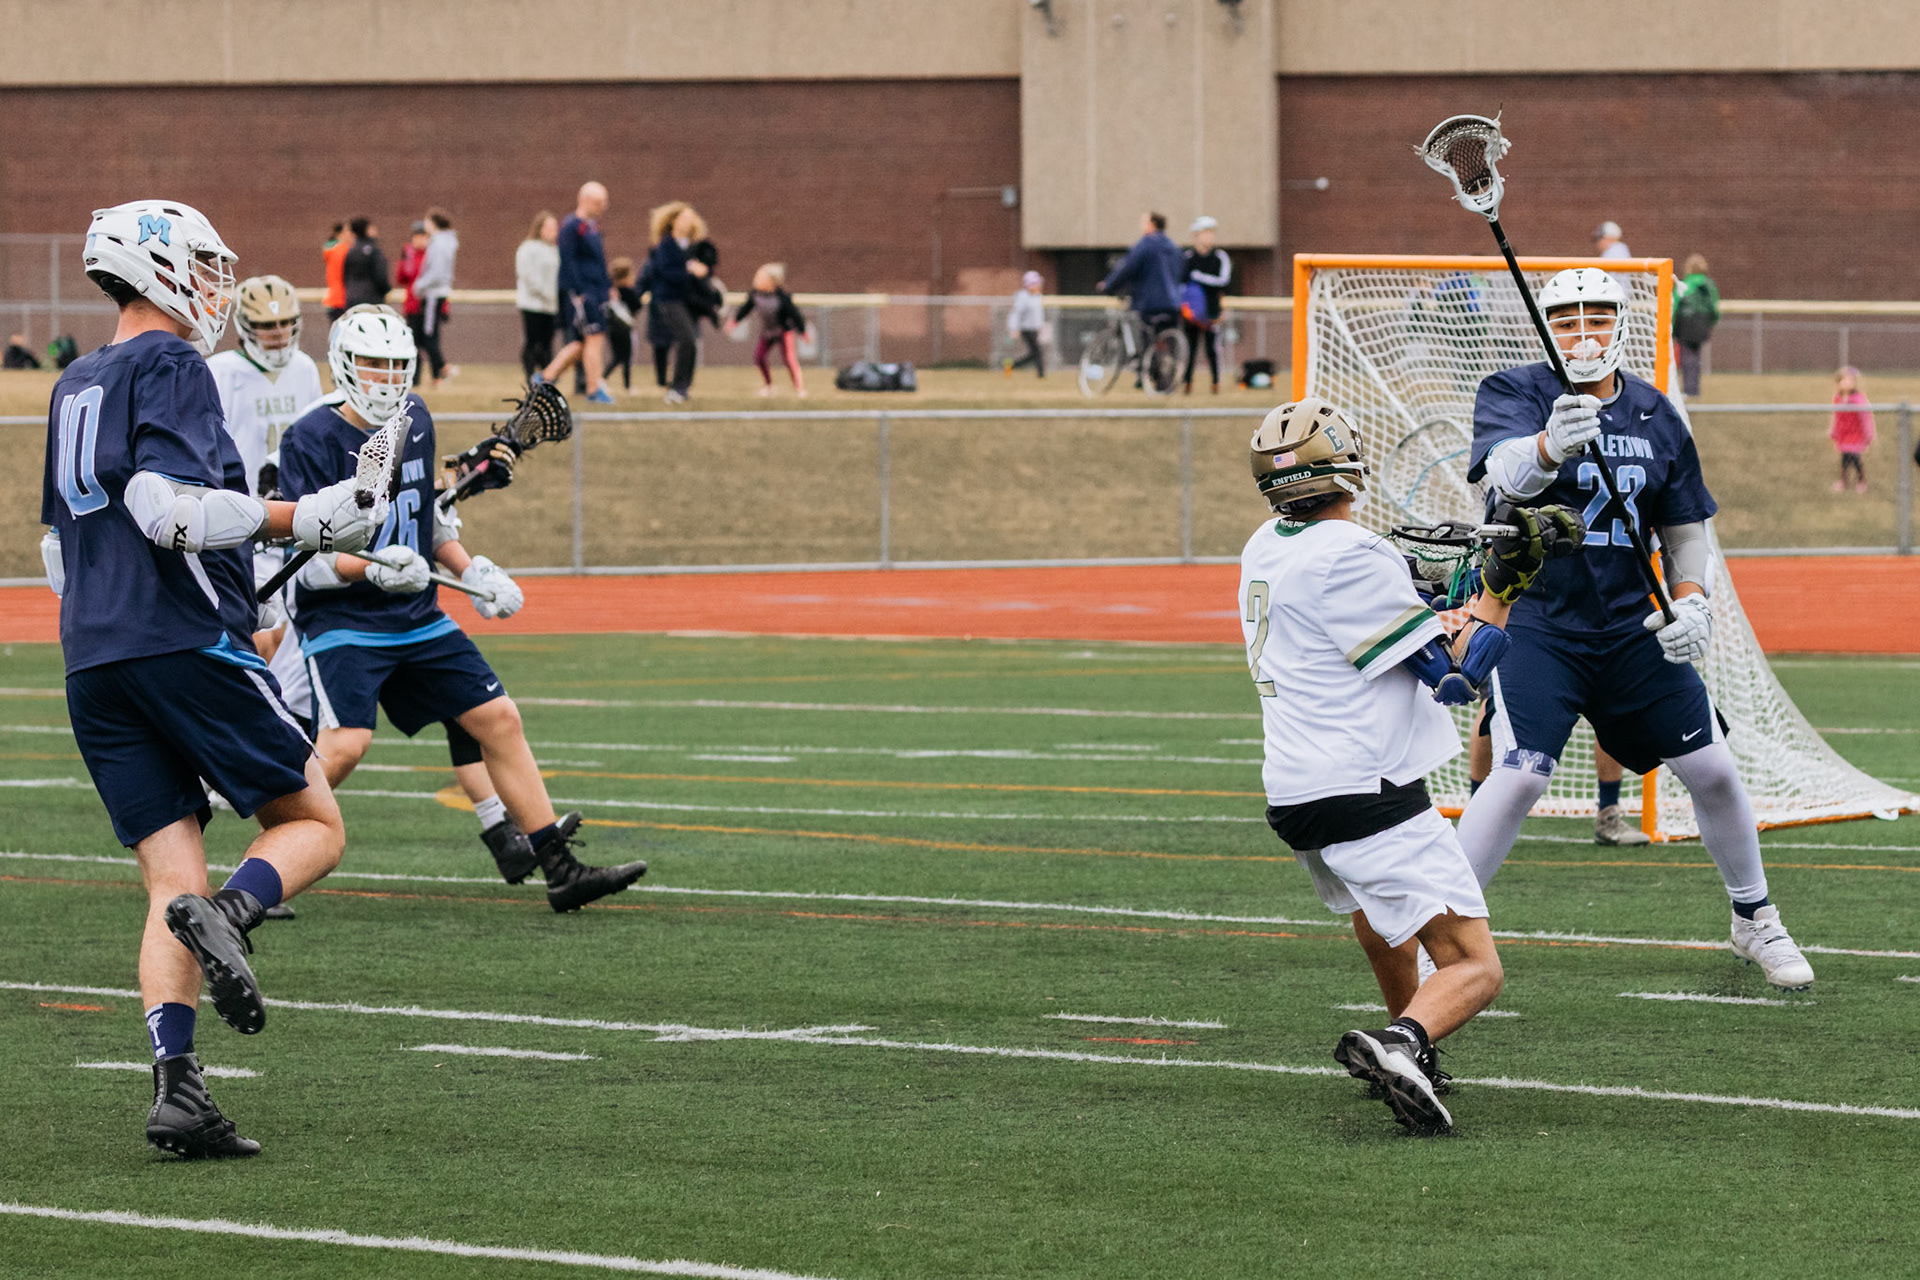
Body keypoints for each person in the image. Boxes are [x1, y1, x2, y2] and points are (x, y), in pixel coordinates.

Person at [42, 199, 387, 1157]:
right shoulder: (171, 362)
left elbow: (57, 552)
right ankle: (233, 913)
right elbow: (168, 510)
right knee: (313, 823)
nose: (212, 284)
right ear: (151, 265)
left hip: (91, 657)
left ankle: (177, 1089)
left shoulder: (74, 380)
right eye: (198, 264)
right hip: (179, 640)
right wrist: (301, 519)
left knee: (170, 878)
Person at [1456, 266, 1815, 990]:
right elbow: (1503, 477)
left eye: (1595, 317)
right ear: (1545, 328)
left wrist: (1693, 603)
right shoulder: (1515, 391)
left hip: (1631, 624)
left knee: (1712, 768)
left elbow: (1683, 530)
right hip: (1539, 619)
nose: (1581, 333)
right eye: (1565, 320)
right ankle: (1443, 928)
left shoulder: (1656, 414)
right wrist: (1549, 446)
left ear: (1621, 324)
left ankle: (1754, 918)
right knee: (1520, 776)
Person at [1241, 396, 1572, 1134]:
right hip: (1369, 786)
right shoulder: (1354, 556)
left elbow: (1370, 599)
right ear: (1347, 468)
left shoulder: (1264, 544)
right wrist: (1502, 588)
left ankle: (1410, 1051)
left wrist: (1441, 581)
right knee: (1475, 966)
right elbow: (1456, 677)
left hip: (1296, 790)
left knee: (1380, 918)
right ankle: (1403, 1041)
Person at [277, 304, 647, 911]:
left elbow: (427, 516)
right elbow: (306, 557)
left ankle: (559, 868)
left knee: (499, 718)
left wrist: (470, 569)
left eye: (395, 365)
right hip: (345, 620)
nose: (384, 378)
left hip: (417, 615)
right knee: (346, 744)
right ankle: (269, 861)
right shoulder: (309, 437)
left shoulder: (415, 417)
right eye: (371, 364)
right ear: (342, 365)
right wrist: (371, 565)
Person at [205, 275, 326, 768]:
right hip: (243, 524)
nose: (277, 334)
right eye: (266, 325)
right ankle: (233, 744)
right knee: (258, 637)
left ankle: (263, 745)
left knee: (290, 644)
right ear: (244, 326)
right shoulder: (220, 371)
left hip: (294, 522)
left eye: (284, 324)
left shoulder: (304, 369)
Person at [541, 182, 615, 404]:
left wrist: (607, 287)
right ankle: (594, 388)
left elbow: (598, 262)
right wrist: (580, 291)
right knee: (594, 337)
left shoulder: (591, 227)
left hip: (597, 291)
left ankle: (546, 377)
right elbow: (568, 260)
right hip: (584, 293)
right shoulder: (571, 227)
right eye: (599, 202)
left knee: (583, 342)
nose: (603, 207)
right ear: (585, 200)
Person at [646, 201, 711, 405]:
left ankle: (684, 387)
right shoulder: (666, 245)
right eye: (684, 218)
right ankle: (675, 387)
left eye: (691, 218)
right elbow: (667, 272)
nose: (688, 222)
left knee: (691, 342)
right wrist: (690, 271)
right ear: (673, 221)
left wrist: (703, 270)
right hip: (669, 300)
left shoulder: (692, 246)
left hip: (688, 302)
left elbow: (707, 267)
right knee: (687, 339)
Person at [729, 262, 808, 397]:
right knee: (759, 357)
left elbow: (795, 314)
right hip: (768, 332)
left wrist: (802, 331)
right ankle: (769, 386)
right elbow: (745, 308)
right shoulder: (755, 295)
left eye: (761, 278)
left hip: (783, 331)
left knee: (789, 359)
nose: (757, 280)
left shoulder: (781, 297)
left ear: (772, 282)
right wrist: (735, 321)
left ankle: (799, 388)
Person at [1098, 211, 1183, 335]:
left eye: (1143, 222)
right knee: (1167, 338)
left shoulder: (1145, 245)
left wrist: (1108, 285)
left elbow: (1127, 268)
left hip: (1150, 303)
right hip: (1173, 303)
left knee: (1147, 339)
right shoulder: (1174, 248)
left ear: (1151, 224)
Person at [1181, 215, 1232, 394]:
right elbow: (1181, 283)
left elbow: (1224, 281)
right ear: (1196, 235)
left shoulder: (1220, 257)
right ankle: (1187, 382)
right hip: (1191, 312)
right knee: (1190, 348)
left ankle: (1215, 383)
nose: (1208, 236)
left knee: (1213, 349)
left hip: (1212, 311)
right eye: (1205, 232)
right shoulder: (1188, 257)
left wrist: (1199, 277)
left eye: (1211, 232)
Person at [413, 207, 459, 389]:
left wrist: (420, 285)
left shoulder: (440, 244)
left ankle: (441, 370)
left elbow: (436, 273)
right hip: (435, 293)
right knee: (429, 335)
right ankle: (440, 371)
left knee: (429, 335)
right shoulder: (443, 242)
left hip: (433, 294)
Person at [516, 211, 560, 380]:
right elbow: (527, 274)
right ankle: (530, 376)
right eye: (548, 227)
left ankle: (547, 377)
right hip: (532, 304)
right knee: (533, 341)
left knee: (547, 344)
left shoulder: (554, 250)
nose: (552, 231)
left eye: (554, 227)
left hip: (550, 305)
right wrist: (542, 291)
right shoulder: (528, 248)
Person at [1672, 254, 1719, 398]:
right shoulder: (1709, 284)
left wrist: (1672, 326)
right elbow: (1714, 306)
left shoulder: (1684, 284)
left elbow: (1675, 306)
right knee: (1695, 357)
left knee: (1687, 357)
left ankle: (1689, 389)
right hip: (1701, 323)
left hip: (1685, 324)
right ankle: (1694, 389)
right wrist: (1711, 322)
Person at [1830, 365, 1875, 494]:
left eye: (1850, 380)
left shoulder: (1858, 400)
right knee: (1844, 459)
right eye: (1844, 380)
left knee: (1855, 458)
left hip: (1856, 434)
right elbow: (1837, 417)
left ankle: (1861, 481)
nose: (1847, 383)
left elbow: (1866, 418)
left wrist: (1868, 435)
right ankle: (1843, 481)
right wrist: (1834, 432)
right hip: (1843, 434)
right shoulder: (1837, 399)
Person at [395, 221, 431, 382]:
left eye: (423, 236)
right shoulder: (409, 254)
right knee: (412, 343)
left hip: (427, 305)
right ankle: (413, 377)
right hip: (412, 305)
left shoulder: (431, 255)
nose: (419, 239)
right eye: (417, 235)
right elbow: (401, 278)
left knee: (429, 343)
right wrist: (404, 261)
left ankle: (436, 375)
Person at [1002, 270, 1046, 379]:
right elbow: (1016, 314)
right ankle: (1041, 375)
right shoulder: (1023, 297)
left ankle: (1011, 366)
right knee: (1037, 352)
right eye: (1036, 283)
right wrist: (1014, 329)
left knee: (1034, 354)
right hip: (1026, 329)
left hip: (1034, 329)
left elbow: (1038, 315)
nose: (1039, 286)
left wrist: (1040, 326)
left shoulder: (1037, 296)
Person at [605, 257, 639, 391]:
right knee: (625, 357)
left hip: (612, 328)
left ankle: (603, 378)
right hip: (623, 329)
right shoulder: (626, 291)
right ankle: (627, 385)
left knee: (617, 357)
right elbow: (636, 305)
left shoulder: (611, 291)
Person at [340, 216, 390, 310]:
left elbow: (345, 276)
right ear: (367, 230)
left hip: (352, 298)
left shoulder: (351, 251)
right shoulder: (374, 250)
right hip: (372, 299)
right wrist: (385, 290)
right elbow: (380, 276)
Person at [321, 222, 349, 322]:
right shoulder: (342, 250)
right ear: (340, 234)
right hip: (343, 299)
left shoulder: (331, 250)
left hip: (333, 299)